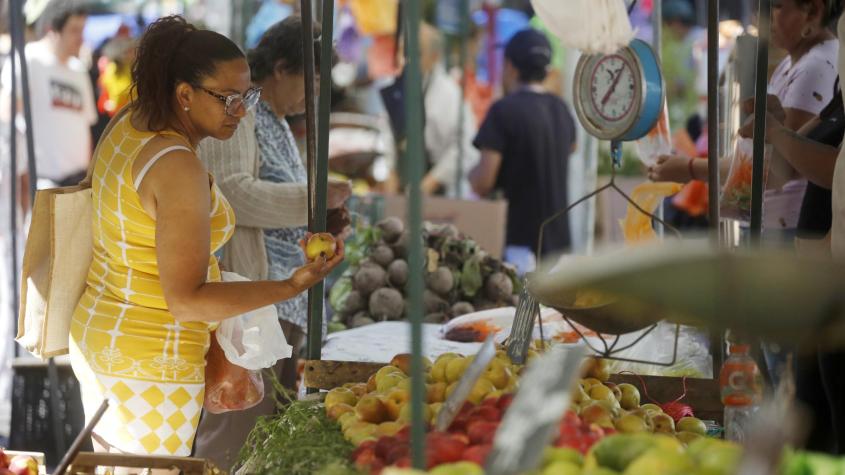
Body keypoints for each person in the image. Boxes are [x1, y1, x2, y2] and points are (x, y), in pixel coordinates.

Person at [68, 15, 344, 459]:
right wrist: (290, 285)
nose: (241, 110)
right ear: (184, 94)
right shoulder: (177, 167)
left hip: (105, 331)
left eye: (247, 95)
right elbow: (186, 300)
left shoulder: (130, 122)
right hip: (151, 356)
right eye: (229, 99)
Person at [193, 16, 351, 471]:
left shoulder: (276, 120)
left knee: (269, 434)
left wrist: (324, 218)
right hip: (252, 294)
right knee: (237, 431)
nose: (316, 91)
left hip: (282, 296)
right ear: (281, 67)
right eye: (312, 78)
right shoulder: (241, 114)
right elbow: (233, 192)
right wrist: (315, 199)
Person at [651, 0, 840, 239]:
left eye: (777, 6)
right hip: (778, 226)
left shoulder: (815, 66)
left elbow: (777, 167)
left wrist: (690, 168)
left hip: (788, 232)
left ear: (812, 11)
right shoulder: (798, 61)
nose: (763, 16)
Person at [469, 28, 576, 272]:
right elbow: (571, 147)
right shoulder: (561, 109)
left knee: (522, 310)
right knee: (554, 311)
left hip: (521, 248)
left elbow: (483, 181)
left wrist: (471, 175)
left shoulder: (503, 110)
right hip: (560, 248)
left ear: (510, 67)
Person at [0, 1, 97, 187]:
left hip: (77, 181)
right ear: (52, 30)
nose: (81, 38)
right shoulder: (28, 59)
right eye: (74, 30)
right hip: (42, 182)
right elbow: (6, 116)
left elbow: (86, 126)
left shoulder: (78, 70)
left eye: (83, 30)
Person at [416, 23, 479, 198]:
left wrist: (432, 181)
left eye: (417, 53)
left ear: (434, 57)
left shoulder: (449, 94)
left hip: (444, 195)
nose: (407, 59)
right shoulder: (400, 88)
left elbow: (467, 147)